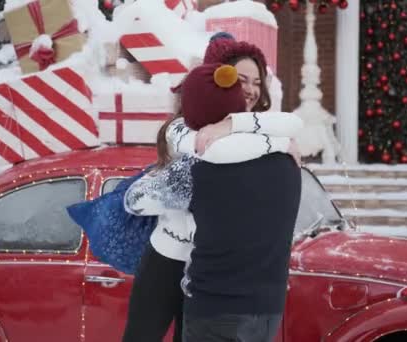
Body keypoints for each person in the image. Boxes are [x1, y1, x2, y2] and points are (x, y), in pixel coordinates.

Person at [121, 37, 303, 342]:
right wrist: (277, 141)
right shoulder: (188, 128)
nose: (251, 89)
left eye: (257, 81)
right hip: (171, 254)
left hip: (212, 269)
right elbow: (205, 153)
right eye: (241, 79)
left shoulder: (258, 130)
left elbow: (289, 124)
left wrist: (253, 131)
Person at [180, 64, 302, 342]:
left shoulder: (198, 166)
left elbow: (138, 201)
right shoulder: (287, 158)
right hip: (267, 309)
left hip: (213, 308)